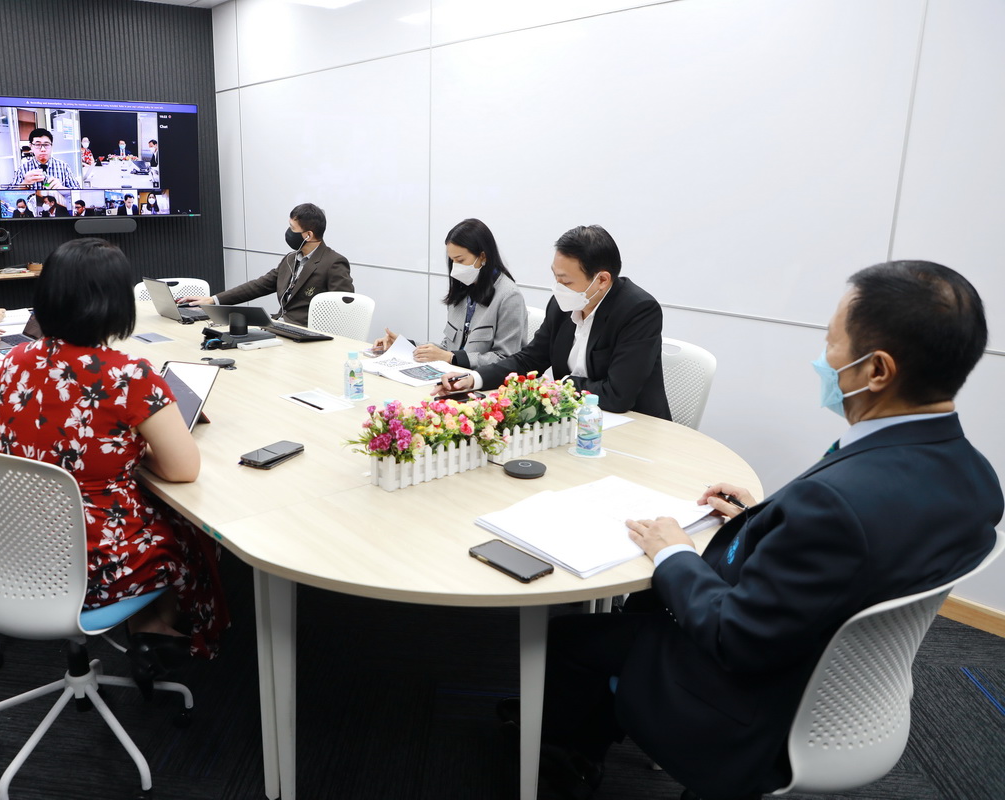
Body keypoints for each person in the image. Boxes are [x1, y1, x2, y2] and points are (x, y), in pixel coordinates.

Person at [529, 261, 1003, 800]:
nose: (824, 359)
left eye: (832, 342)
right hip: (841, 678)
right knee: (645, 603)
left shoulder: (832, 505)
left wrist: (674, 553)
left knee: (573, 638)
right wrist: (766, 519)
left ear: (877, 370)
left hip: (758, 706)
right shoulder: (977, 478)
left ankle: (567, 756)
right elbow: (862, 546)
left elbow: (733, 637)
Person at [0, 238, 230, 694]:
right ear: (116, 302)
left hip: (23, 534)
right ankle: (155, 628)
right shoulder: (128, 374)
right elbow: (183, 470)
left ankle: (149, 626)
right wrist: (140, 445)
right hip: (93, 556)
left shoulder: (15, 358)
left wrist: (121, 441)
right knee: (187, 528)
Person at [437, 224, 670, 419]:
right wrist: (474, 379)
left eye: (566, 282)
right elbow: (529, 359)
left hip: (633, 425)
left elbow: (617, 395)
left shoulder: (638, 311)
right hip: (572, 417)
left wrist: (555, 386)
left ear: (602, 280)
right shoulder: (562, 305)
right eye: (555, 276)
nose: (558, 287)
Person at [374, 218, 526, 368]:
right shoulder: (462, 289)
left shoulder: (509, 296)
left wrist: (452, 358)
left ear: (483, 256)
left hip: (483, 380)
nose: (455, 267)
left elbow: (506, 359)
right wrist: (404, 345)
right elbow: (447, 348)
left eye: (460, 260)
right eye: (452, 260)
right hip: (454, 374)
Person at [182, 203, 354, 327]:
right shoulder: (290, 259)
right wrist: (214, 300)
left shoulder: (333, 262)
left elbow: (343, 309)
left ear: (308, 235)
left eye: (292, 229)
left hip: (307, 335)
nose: (288, 233)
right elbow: (259, 286)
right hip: (279, 326)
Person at [10, 127, 80, 190]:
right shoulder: (23, 168)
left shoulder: (63, 167)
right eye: (38, 144)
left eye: (46, 144)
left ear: (51, 146)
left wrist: (62, 188)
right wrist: (24, 184)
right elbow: (9, 193)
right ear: (31, 146)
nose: (43, 149)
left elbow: (77, 191)